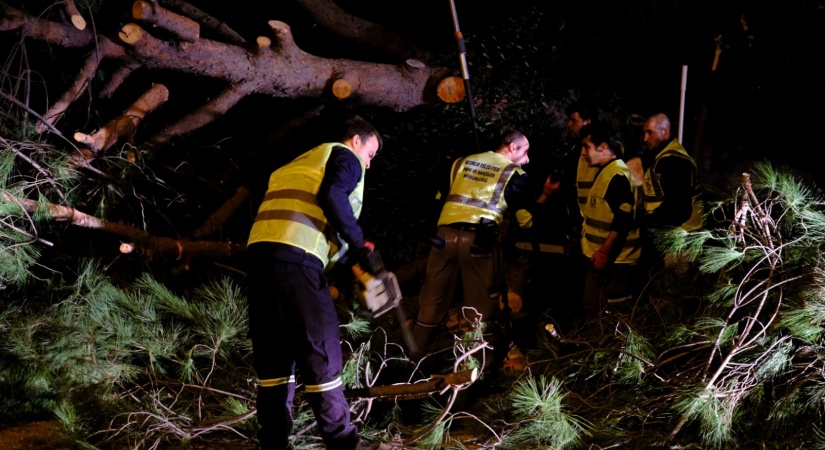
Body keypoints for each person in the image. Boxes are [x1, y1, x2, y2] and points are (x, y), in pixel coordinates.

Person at [246, 115, 382, 450]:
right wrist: (360, 243)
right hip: (297, 261)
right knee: (321, 351)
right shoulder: (344, 156)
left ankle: (273, 443)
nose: (368, 163)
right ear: (356, 140)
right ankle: (343, 444)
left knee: (274, 359)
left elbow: (311, 217)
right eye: (370, 154)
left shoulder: (298, 164)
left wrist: (350, 264)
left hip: (261, 262)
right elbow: (333, 195)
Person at [411, 129, 533, 362]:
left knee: (432, 301)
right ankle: (477, 364)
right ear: (512, 147)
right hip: (480, 242)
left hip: (443, 238)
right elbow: (525, 219)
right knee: (481, 308)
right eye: (526, 152)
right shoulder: (514, 174)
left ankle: (412, 358)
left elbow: (438, 198)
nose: (527, 160)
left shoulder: (460, 163)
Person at [578, 122, 641, 321]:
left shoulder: (616, 176)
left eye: (587, 146)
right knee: (595, 312)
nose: (583, 153)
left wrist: (604, 252)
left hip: (616, 261)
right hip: (604, 258)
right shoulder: (608, 172)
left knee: (614, 318)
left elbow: (623, 219)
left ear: (603, 147)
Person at [639, 113, 704, 265]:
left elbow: (677, 207)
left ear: (665, 132)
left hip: (680, 238)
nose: (645, 138)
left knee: (671, 279)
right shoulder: (662, 157)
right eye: (644, 133)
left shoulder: (675, 161)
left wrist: (646, 221)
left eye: (650, 132)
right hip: (669, 235)